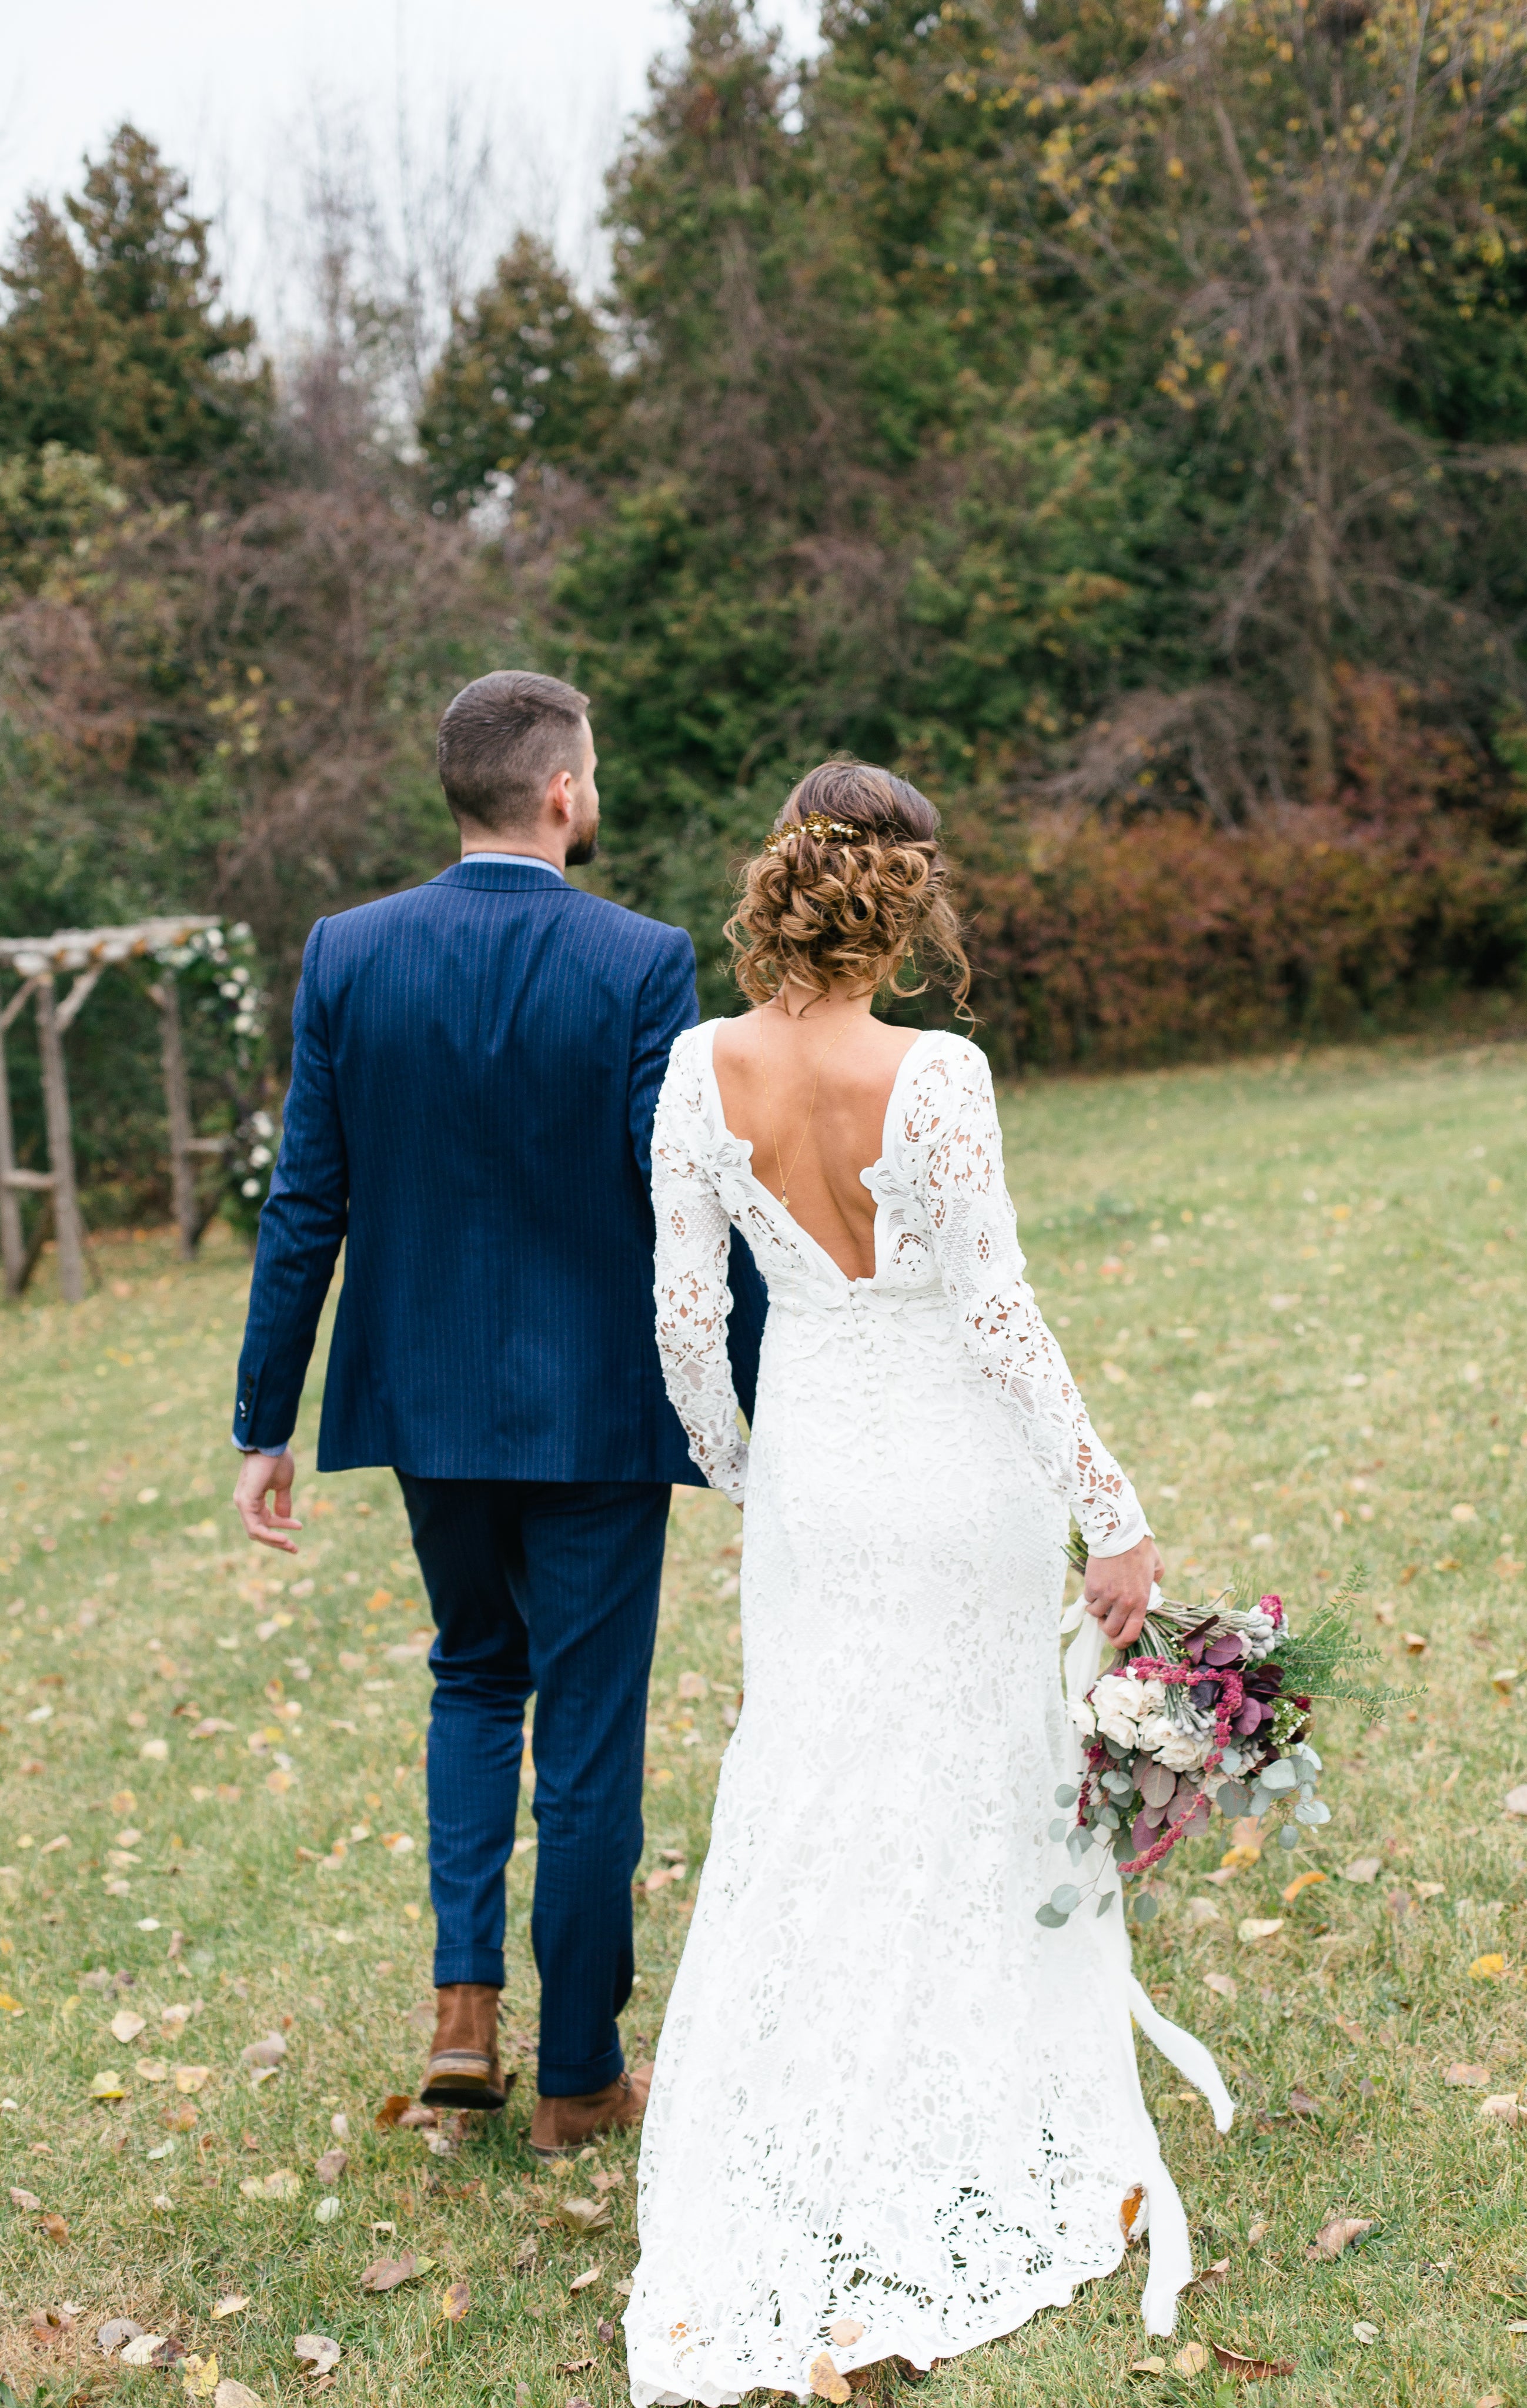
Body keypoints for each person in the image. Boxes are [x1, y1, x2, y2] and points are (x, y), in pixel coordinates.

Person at [629, 761, 1231, 2404]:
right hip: (961, 1477)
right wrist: (1111, 1511)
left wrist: (745, 1466)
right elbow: (995, 1314)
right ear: (903, 906)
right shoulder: (937, 1074)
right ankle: (972, 2095)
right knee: (971, 1774)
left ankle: (818, 2091)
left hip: (817, 1474)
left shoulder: (695, 1069)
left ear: (781, 890)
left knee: (814, 1773)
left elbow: (686, 1317)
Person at [229, 670, 765, 2155]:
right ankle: (579, 2075)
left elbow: (305, 1199)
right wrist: (760, 1390)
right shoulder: (641, 960)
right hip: (599, 1410)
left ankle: (463, 2014)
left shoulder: (347, 952)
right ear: (561, 792)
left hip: (428, 1403)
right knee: (586, 1733)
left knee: (473, 1676)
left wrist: (265, 1417)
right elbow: (682, 1198)